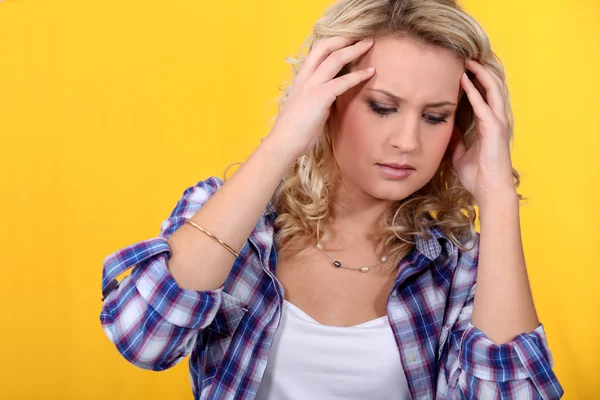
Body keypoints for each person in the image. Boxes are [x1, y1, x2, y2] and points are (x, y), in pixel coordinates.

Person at [99, 0, 563, 398]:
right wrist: (282, 144)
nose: (407, 140)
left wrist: (499, 197)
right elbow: (143, 338)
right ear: (327, 97)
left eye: (435, 117)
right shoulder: (240, 224)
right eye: (382, 107)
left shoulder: (459, 264)